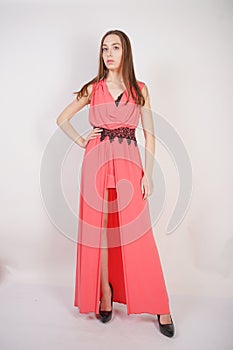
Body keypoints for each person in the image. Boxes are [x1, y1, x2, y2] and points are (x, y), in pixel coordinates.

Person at [56, 29, 175, 338]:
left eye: (115, 47)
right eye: (104, 48)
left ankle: (161, 304)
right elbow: (61, 119)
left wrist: (147, 173)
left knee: (139, 232)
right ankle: (105, 295)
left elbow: (150, 134)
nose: (109, 53)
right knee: (101, 231)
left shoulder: (140, 89)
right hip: (96, 162)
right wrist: (83, 140)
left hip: (129, 163)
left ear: (126, 52)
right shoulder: (93, 89)